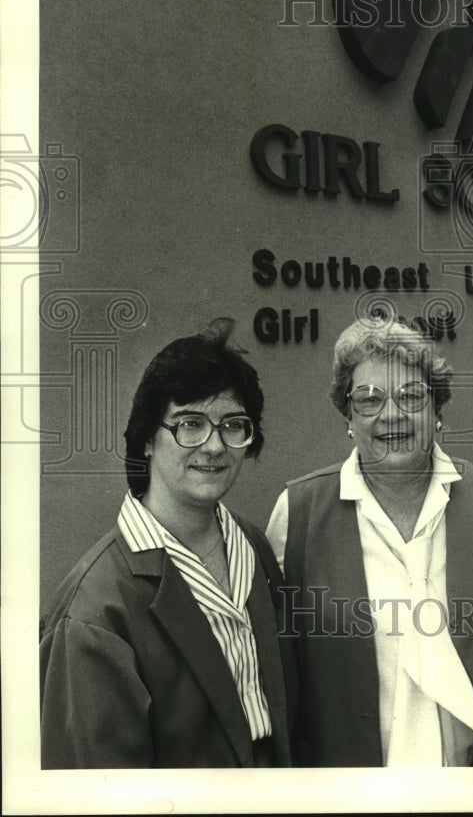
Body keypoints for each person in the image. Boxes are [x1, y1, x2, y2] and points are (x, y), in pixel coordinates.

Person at [39, 320, 297, 768]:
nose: (214, 446)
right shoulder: (96, 606)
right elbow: (103, 791)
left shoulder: (252, 546)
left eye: (233, 425)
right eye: (190, 424)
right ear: (146, 439)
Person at [266, 314, 473, 766]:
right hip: (351, 786)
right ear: (347, 415)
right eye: (369, 399)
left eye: (411, 396)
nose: (392, 415)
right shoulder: (299, 511)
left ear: (437, 410)